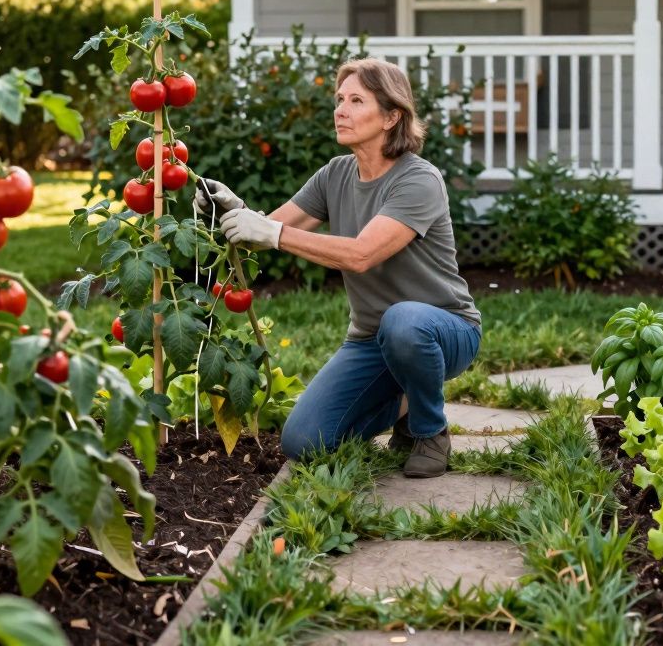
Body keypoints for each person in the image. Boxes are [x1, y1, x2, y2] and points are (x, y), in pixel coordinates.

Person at [193, 57, 481, 478]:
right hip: (370, 340)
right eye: (339, 99)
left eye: (356, 100)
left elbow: (360, 255)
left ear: (391, 116)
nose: (340, 110)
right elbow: (274, 226)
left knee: (403, 322)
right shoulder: (335, 174)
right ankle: (403, 402)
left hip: (442, 330)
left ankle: (429, 429)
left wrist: (270, 232)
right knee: (303, 442)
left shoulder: (419, 180)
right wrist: (231, 210)